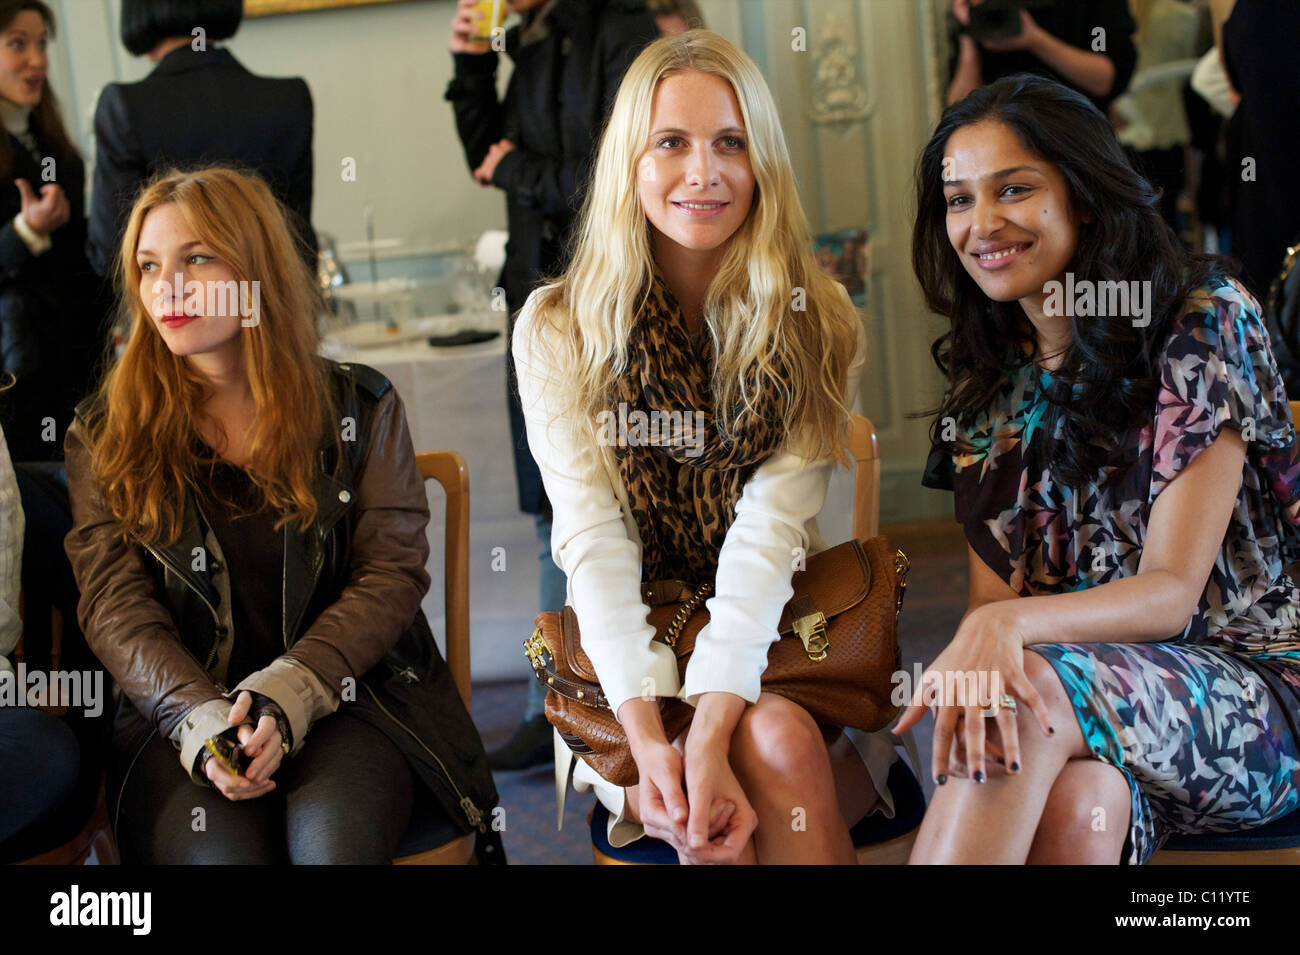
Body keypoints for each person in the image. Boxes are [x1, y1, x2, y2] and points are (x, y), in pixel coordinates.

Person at [514, 29, 898, 864]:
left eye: (731, 142)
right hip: (627, 654)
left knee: (781, 747)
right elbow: (592, 543)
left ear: (763, 162)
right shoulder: (556, 328)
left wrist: (712, 728)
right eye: (672, 143)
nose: (703, 172)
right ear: (630, 162)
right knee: (711, 778)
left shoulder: (818, 318)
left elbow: (769, 539)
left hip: (777, 629)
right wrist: (653, 737)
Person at [905, 73, 1300, 864]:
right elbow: (999, 618)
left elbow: (1170, 596)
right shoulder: (988, 381)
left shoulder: (1202, 314)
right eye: (957, 199)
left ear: (1081, 195)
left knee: (1026, 704)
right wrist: (997, 632)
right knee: (1076, 797)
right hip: (1088, 718)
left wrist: (1002, 627)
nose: (981, 223)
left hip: (1255, 699)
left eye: (1013, 189)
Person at [64, 167, 500, 864]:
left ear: (255, 268)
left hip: (355, 698)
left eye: (196, 257)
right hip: (179, 716)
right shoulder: (105, 434)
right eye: (148, 266)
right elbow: (116, 610)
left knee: (331, 851)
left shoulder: (360, 405)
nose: (166, 287)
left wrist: (291, 690)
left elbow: (389, 574)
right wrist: (201, 718)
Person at [445, 0, 658, 770]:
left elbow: (619, 179)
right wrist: (472, 62)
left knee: (608, 506)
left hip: (609, 299)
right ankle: (559, 706)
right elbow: (484, 155)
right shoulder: (528, 36)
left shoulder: (620, 28)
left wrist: (515, 170)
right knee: (549, 507)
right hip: (539, 299)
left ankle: (588, 703)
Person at [88, 0, 315, 279]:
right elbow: (298, 241)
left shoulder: (123, 106)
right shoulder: (289, 99)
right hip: (264, 306)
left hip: (173, 308)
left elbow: (111, 251)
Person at [0, 1, 109, 463]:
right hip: (19, 373)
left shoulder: (57, 148)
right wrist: (25, 231)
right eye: (17, 44)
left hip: (82, 362)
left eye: (42, 44)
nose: (38, 60)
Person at [946, 0, 1137, 111]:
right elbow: (960, 108)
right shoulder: (987, 7)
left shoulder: (1093, 9)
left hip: (1077, 135)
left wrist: (1035, 39)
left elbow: (1104, 78)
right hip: (1003, 140)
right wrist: (970, 29)